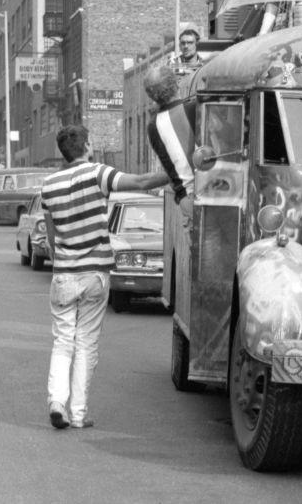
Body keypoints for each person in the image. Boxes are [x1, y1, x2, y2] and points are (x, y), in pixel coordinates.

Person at [41, 125, 167, 430]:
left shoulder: (48, 185)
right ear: (87, 145)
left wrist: (62, 264)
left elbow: (51, 233)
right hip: (94, 275)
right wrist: (179, 171)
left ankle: (57, 401)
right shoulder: (97, 173)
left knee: (62, 342)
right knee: (85, 344)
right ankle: (79, 413)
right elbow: (141, 181)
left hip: (64, 276)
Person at [144, 65, 196, 225]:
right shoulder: (194, 108)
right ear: (176, 84)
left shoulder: (153, 126)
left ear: (151, 95)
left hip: (185, 200)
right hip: (207, 192)